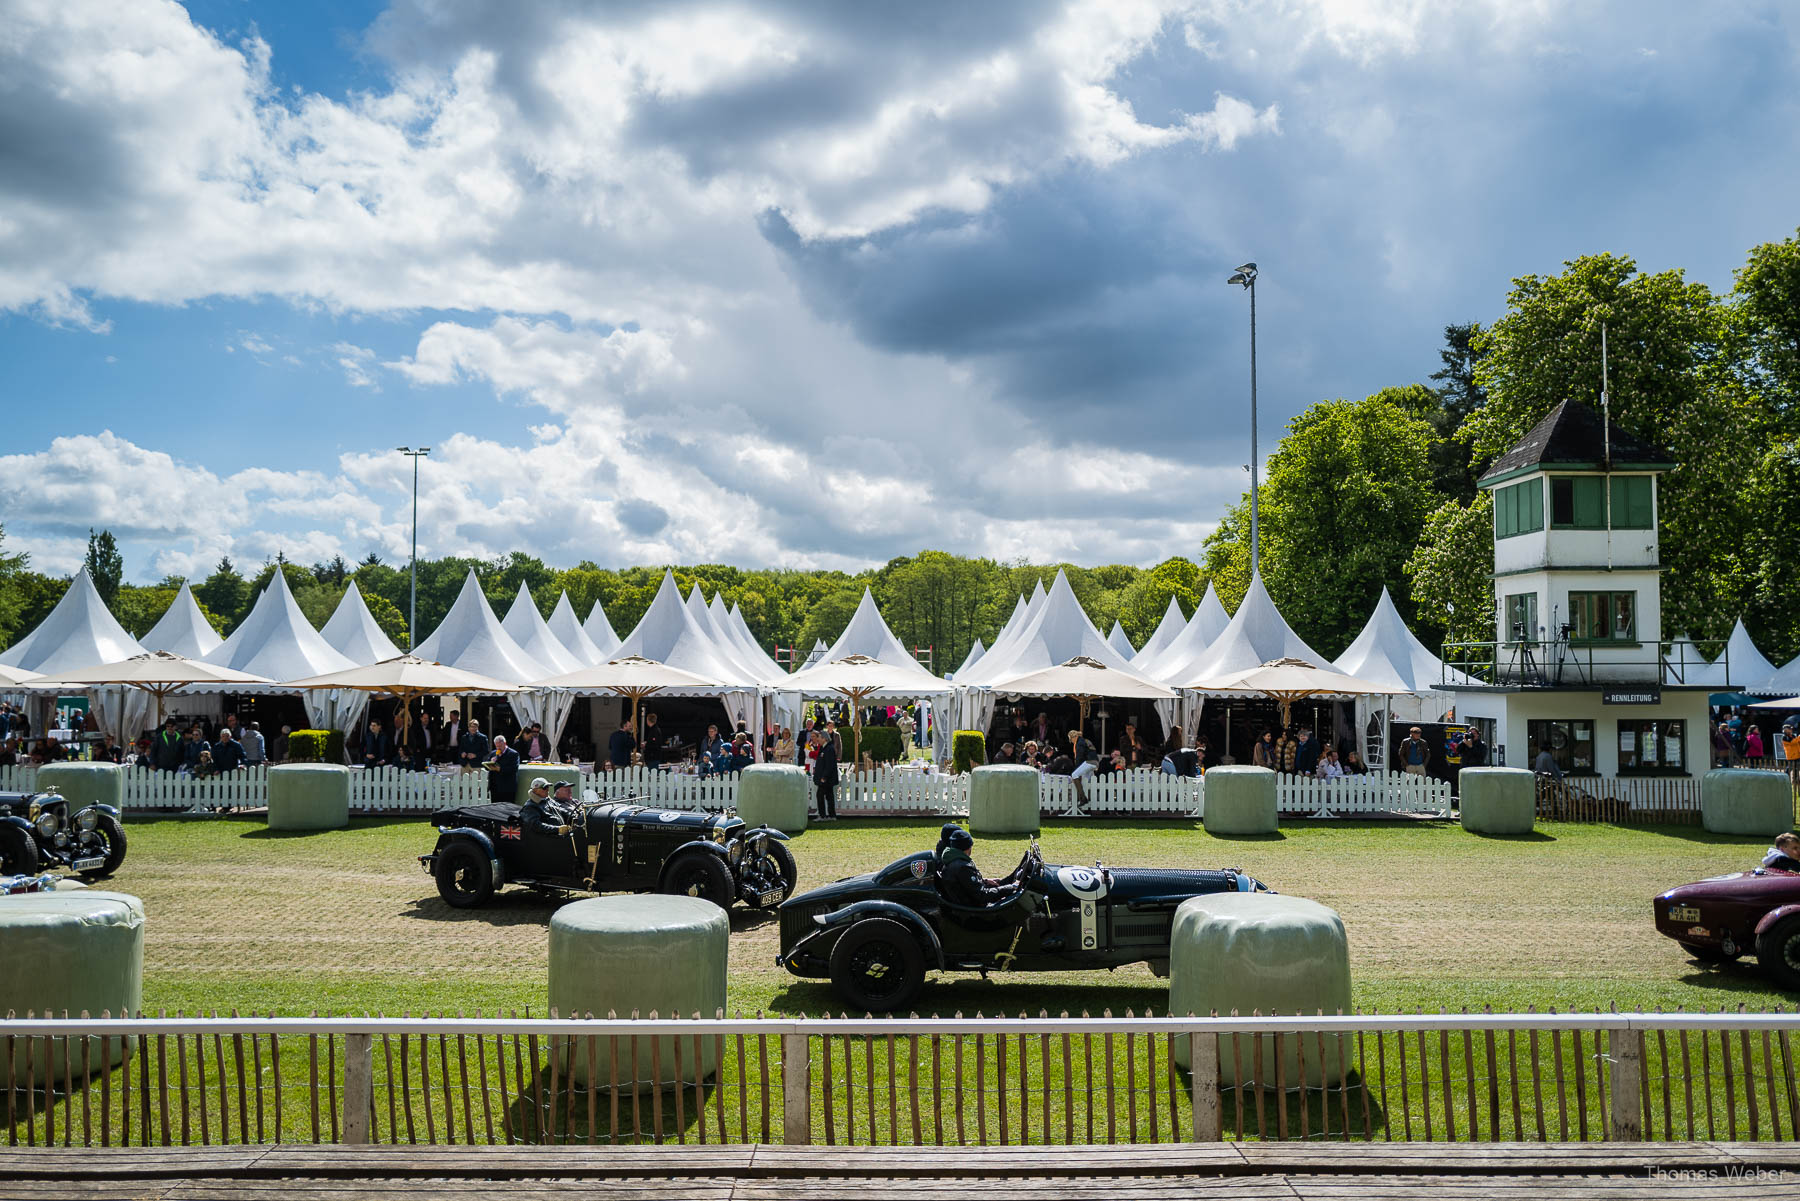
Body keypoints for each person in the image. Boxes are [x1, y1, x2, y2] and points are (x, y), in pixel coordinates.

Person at [934, 822, 1021, 908]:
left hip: (967, 899)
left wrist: (984, 881)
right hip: (974, 908)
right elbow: (983, 896)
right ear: (968, 847)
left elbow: (967, 883)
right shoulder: (963, 866)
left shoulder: (949, 858)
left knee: (1001, 883)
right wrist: (1011, 887)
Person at [814, 724, 839, 820]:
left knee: (820, 795)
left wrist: (824, 776)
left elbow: (829, 765)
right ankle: (831, 815)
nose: (818, 739)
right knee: (829, 796)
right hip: (826, 778)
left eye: (819, 737)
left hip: (826, 779)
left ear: (824, 738)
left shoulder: (829, 749)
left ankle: (822, 815)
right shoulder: (824, 748)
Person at [485, 734, 519, 804]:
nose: (498, 748)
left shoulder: (513, 754)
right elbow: (486, 767)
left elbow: (514, 769)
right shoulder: (493, 753)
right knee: (495, 808)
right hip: (495, 787)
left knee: (508, 809)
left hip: (507, 787)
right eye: (496, 746)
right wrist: (491, 762)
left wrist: (500, 769)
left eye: (500, 746)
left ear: (505, 743)